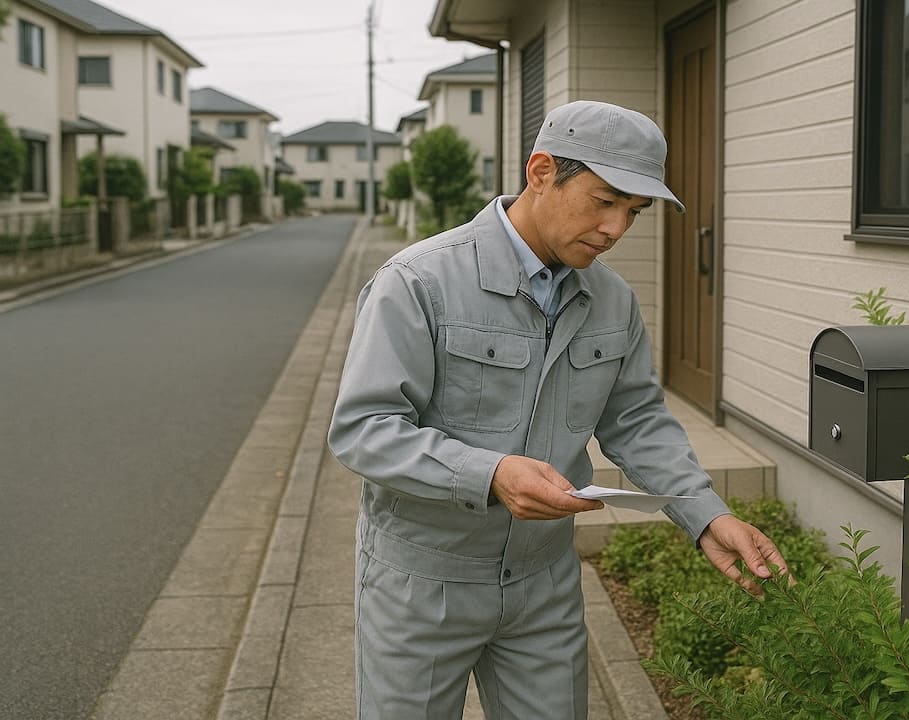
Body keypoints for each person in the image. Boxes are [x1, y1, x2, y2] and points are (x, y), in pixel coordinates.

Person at [328, 100, 789, 720]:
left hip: (544, 582)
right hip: (422, 582)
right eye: (604, 201)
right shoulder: (418, 281)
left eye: (633, 211)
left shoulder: (612, 301)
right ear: (541, 171)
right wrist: (490, 474)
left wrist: (706, 515)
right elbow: (363, 429)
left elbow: (636, 420)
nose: (616, 229)